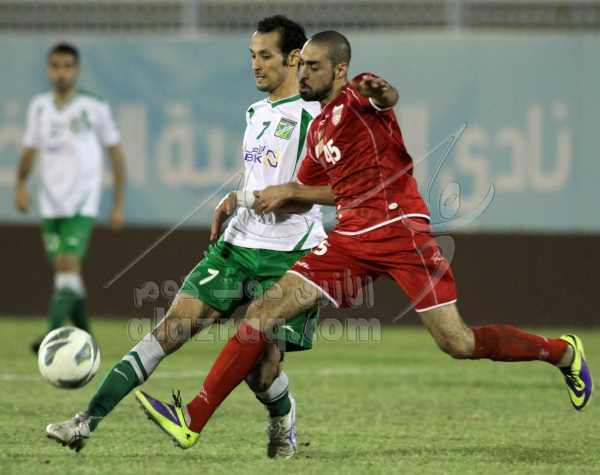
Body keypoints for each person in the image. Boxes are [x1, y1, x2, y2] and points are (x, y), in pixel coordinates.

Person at [135, 30, 594, 450]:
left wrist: (380, 92)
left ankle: (562, 351)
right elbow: (305, 191)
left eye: (314, 66)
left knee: (457, 343)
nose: (303, 73)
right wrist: (248, 198)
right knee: (262, 311)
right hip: (350, 239)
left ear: (340, 70)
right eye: (302, 65)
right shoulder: (318, 130)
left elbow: (387, 96)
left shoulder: (359, 96)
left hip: (401, 232)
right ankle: (192, 419)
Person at [46, 16, 330, 459]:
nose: (255, 65)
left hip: (292, 255)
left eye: (265, 56)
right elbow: (260, 179)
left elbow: (308, 195)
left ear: (294, 58)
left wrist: (249, 198)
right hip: (237, 247)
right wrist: (237, 201)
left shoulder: (316, 118)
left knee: (261, 372)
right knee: (170, 329)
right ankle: (85, 421)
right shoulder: (256, 113)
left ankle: (282, 416)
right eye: (252, 56)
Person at [14, 43, 126, 353]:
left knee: (67, 263)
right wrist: (20, 184)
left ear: (77, 70)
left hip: (81, 199)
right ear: (47, 70)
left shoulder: (93, 106)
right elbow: (29, 151)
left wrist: (118, 203)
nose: (61, 72)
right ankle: (89, 340)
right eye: (55, 66)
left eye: (67, 66)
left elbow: (116, 154)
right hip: (50, 201)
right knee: (67, 274)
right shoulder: (39, 107)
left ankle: (49, 337)